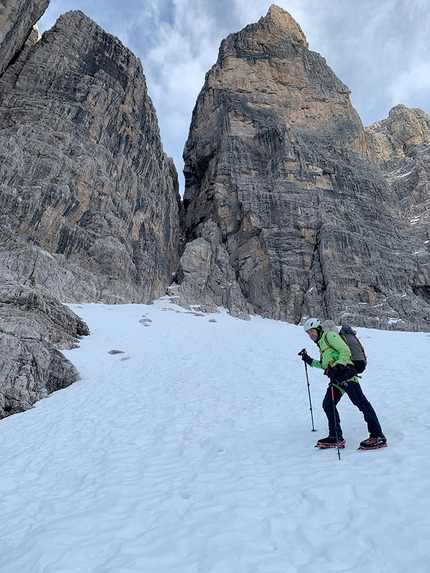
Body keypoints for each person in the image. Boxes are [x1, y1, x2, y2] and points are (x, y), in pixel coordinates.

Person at [299, 318, 387, 450]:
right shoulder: (322, 346)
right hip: (336, 379)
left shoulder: (330, 336)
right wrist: (309, 360)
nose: (310, 334)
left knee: (361, 402)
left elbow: (344, 350)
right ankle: (335, 436)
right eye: (308, 332)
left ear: (318, 329)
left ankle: (378, 436)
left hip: (346, 374)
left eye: (312, 331)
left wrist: (339, 365)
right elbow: (324, 365)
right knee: (328, 404)